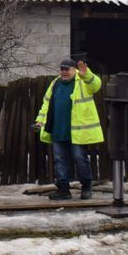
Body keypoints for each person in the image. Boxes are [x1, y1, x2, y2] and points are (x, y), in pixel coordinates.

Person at [34, 57, 104, 200]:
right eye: (62, 69)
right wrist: (40, 121)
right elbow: (46, 104)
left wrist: (88, 75)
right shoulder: (55, 83)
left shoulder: (82, 81)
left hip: (77, 131)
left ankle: (86, 186)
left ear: (74, 70)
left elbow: (96, 85)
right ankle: (63, 190)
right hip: (58, 130)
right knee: (60, 160)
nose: (64, 72)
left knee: (79, 158)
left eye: (67, 69)